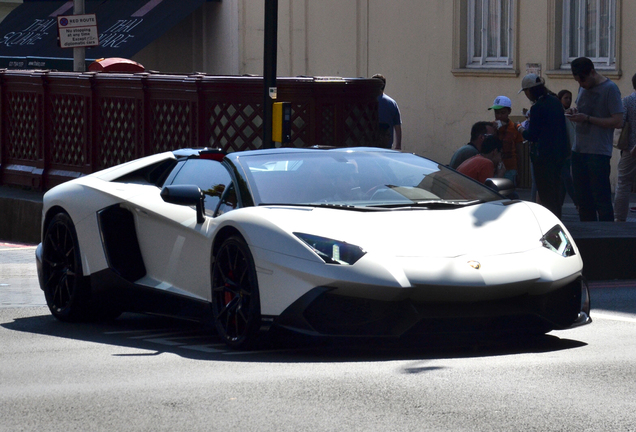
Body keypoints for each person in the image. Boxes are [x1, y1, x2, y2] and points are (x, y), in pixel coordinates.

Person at [566, 57, 624, 221]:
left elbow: (618, 121)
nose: (581, 84)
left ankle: (605, 239)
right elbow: (582, 108)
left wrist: (587, 118)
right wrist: (574, 112)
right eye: (577, 81)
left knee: (601, 200)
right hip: (579, 150)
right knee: (583, 201)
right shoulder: (583, 87)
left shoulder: (610, 89)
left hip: (598, 152)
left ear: (592, 72)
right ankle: (587, 239)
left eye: (583, 80)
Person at [518, 74, 569, 219]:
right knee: (555, 191)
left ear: (529, 91)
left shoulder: (537, 108)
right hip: (559, 153)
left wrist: (521, 129)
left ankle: (549, 222)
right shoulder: (555, 101)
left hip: (543, 156)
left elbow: (532, 135)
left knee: (545, 193)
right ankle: (557, 218)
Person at [614, 73, 636, 222]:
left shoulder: (628, 101)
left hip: (630, 149)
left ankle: (619, 219)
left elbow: (620, 123)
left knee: (623, 183)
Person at [488, 96, 523, 185]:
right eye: (497, 113)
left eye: (502, 113)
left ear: (509, 112)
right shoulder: (490, 127)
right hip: (494, 168)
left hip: (510, 168)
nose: (499, 116)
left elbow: (519, 151)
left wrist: (520, 172)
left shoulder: (514, 128)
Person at [557, 89, 578, 208]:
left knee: (564, 180)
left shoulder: (570, 114)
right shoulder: (560, 114)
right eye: (566, 98)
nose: (568, 100)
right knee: (566, 179)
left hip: (570, 150)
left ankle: (559, 205)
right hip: (564, 151)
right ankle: (577, 202)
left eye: (570, 98)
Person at [372, 74, 402, 150]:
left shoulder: (368, 102)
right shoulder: (392, 103)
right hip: (386, 145)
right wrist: (398, 145)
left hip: (370, 144)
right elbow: (397, 126)